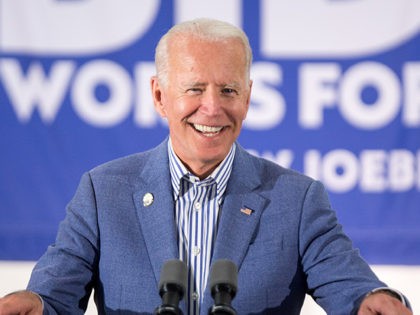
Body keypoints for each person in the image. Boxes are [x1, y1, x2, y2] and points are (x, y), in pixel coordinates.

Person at [0, 18, 412, 315]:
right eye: (194, 88)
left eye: (228, 89)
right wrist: (34, 302)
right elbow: (56, 294)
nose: (212, 108)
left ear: (248, 98)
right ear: (160, 96)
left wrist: (373, 301)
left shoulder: (297, 200)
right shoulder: (102, 191)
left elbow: (352, 288)